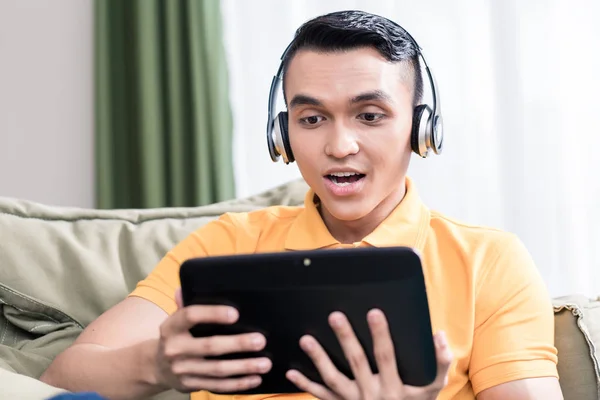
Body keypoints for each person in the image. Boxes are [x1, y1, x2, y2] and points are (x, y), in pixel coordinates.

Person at [40, 10, 563, 400]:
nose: (339, 146)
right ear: (282, 135)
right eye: (311, 119)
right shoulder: (229, 243)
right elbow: (64, 374)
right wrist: (158, 365)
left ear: (420, 128)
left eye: (370, 115)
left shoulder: (489, 261)